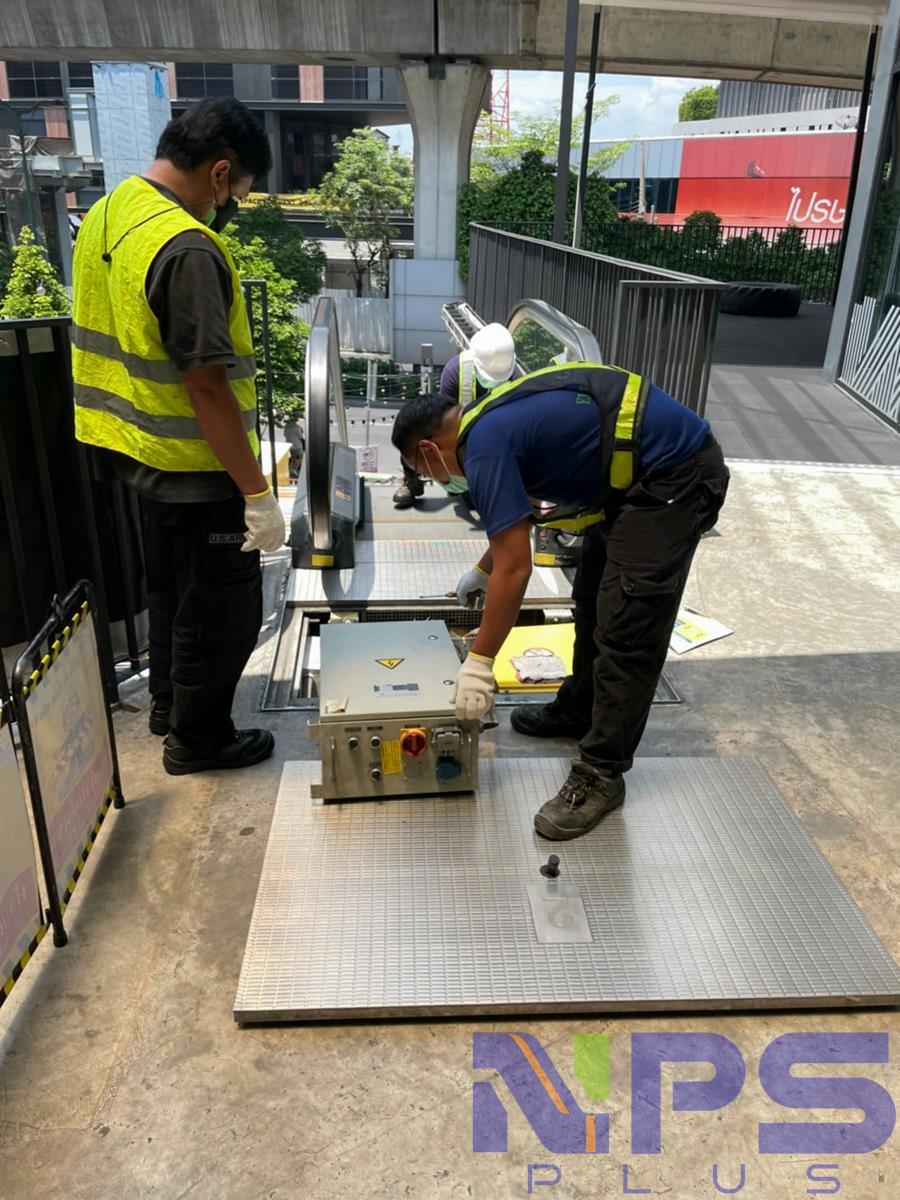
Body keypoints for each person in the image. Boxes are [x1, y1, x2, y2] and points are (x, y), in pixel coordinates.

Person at [391, 357, 729, 840]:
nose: (439, 482)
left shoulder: (482, 447)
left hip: (674, 476)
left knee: (628, 628)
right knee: (591, 602)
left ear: (428, 447)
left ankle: (601, 774)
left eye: (425, 472)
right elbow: (516, 520)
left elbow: (517, 568)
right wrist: (483, 570)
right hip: (632, 479)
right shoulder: (489, 422)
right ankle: (580, 709)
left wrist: (479, 663)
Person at [72, 99, 285, 776]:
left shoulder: (109, 211)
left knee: (169, 591)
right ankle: (199, 739)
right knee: (221, 606)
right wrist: (257, 493)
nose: (231, 208)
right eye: (238, 192)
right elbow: (207, 386)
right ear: (219, 172)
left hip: (134, 450)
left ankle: (170, 706)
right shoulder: (186, 246)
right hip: (196, 465)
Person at [391, 324, 517, 510]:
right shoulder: (455, 370)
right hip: (457, 432)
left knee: (474, 501)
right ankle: (411, 482)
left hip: (487, 438)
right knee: (414, 433)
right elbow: (443, 423)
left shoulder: (513, 375)